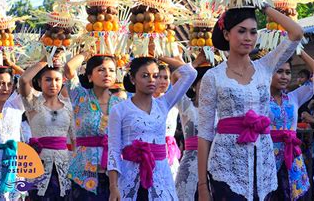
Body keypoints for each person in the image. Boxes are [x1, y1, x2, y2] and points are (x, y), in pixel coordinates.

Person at [198, 6, 304, 201]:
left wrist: (264, 6)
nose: (248, 37)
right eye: (241, 31)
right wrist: (202, 185)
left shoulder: (265, 67)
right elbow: (204, 133)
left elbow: (296, 33)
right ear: (227, 34)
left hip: (263, 162)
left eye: (253, 32)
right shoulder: (213, 77)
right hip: (226, 163)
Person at [107, 55, 197, 200]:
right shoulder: (119, 110)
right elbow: (114, 150)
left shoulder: (164, 104)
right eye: (145, 75)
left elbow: (191, 73)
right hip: (131, 174)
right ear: (132, 79)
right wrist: (113, 187)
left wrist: (160, 57)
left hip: (161, 174)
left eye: (155, 76)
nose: (151, 80)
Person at [64, 52, 122, 200]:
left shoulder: (121, 104)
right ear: (89, 76)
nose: (107, 74)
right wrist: (85, 53)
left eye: (111, 70)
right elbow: (69, 68)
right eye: (101, 69)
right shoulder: (80, 96)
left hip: (113, 174)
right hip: (83, 173)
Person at [19, 59, 73, 200]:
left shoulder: (69, 106)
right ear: (39, 81)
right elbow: (24, 80)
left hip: (65, 164)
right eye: (48, 79)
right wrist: (46, 59)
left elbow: (74, 139)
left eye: (57, 80)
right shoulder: (33, 104)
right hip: (39, 163)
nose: (53, 84)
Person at [269, 51, 314, 201]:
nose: (284, 76)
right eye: (279, 71)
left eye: (288, 72)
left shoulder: (294, 97)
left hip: (293, 157)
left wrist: (300, 52)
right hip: (267, 157)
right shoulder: (258, 98)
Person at [175, 56, 210, 201]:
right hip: (190, 164)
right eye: (204, 83)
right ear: (194, 85)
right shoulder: (186, 105)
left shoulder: (222, 108)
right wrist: (195, 63)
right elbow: (176, 76)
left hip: (214, 163)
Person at [0, 66, 24, 201]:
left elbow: (28, 79)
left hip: (14, 166)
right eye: (0, 83)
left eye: (9, 84)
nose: (5, 88)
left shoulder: (16, 104)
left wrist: (12, 64)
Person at [155, 64, 181, 180]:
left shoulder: (173, 101)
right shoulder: (144, 103)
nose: (162, 81)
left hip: (170, 152)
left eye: (166, 78)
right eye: (158, 77)